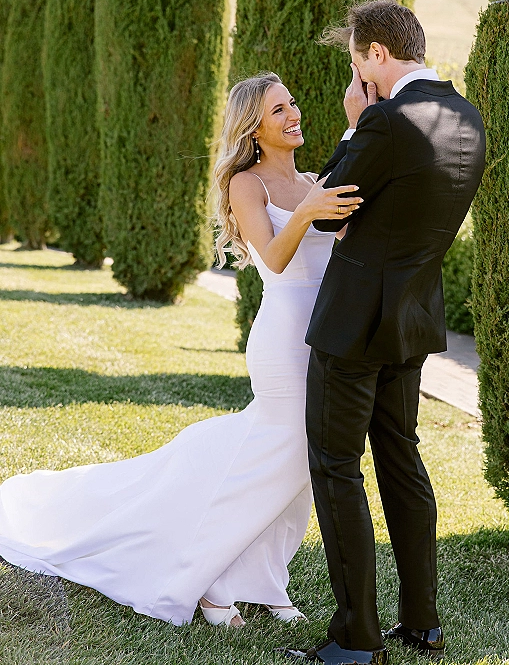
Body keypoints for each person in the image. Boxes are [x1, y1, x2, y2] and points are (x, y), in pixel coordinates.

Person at [0, 72, 361, 629]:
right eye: (278, 109)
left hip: (325, 334)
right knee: (284, 454)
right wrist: (310, 212)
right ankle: (213, 584)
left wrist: (353, 141)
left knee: (300, 467)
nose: (293, 114)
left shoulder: (314, 180)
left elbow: (342, 248)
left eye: (291, 103)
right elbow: (273, 259)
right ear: (254, 128)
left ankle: (264, 580)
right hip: (284, 336)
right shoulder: (247, 184)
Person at [279, 0, 486, 664]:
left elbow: (326, 209)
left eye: (357, 64)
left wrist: (353, 126)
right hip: (414, 318)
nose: (357, 78)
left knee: (336, 467)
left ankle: (355, 641)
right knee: (401, 458)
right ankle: (422, 623)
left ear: (376, 53)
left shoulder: (386, 120)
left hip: (353, 323)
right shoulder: (467, 116)